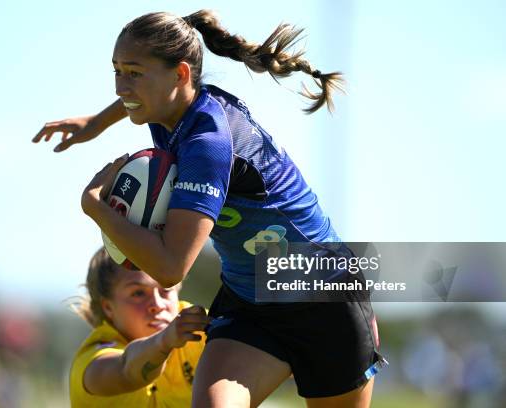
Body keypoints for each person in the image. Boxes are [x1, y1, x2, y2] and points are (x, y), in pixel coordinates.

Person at [36, 10, 387, 407]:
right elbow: (135, 95)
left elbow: (171, 268)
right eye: (116, 70)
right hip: (250, 298)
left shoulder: (206, 142)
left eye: (132, 72)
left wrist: (96, 208)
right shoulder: (167, 105)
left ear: (181, 74)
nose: (121, 85)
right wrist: (97, 122)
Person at [69, 247, 208, 407]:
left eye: (165, 289)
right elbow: (126, 371)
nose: (157, 304)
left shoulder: (201, 329)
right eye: (138, 293)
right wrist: (163, 341)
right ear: (108, 307)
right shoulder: (92, 362)